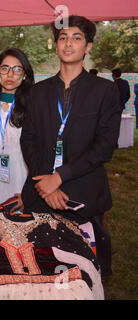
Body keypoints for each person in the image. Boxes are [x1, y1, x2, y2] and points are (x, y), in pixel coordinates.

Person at [20, 15, 122, 277]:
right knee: (38, 271)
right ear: (56, 45)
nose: (68, 44)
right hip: (40, 193)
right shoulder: (38, 92)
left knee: (83, 273)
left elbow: (104, 146)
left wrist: (60, 177)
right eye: (62, 38)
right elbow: (28, 139)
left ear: (87, 47)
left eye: (76, 38)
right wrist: (46, 183)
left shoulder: (105, 91)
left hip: (83, 195)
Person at [0, 48, 34, 212]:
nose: (10, 74)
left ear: (24, 75)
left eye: (17, 69)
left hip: (19, 181)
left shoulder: (32, 105)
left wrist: (29, 190)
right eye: (5, 68)